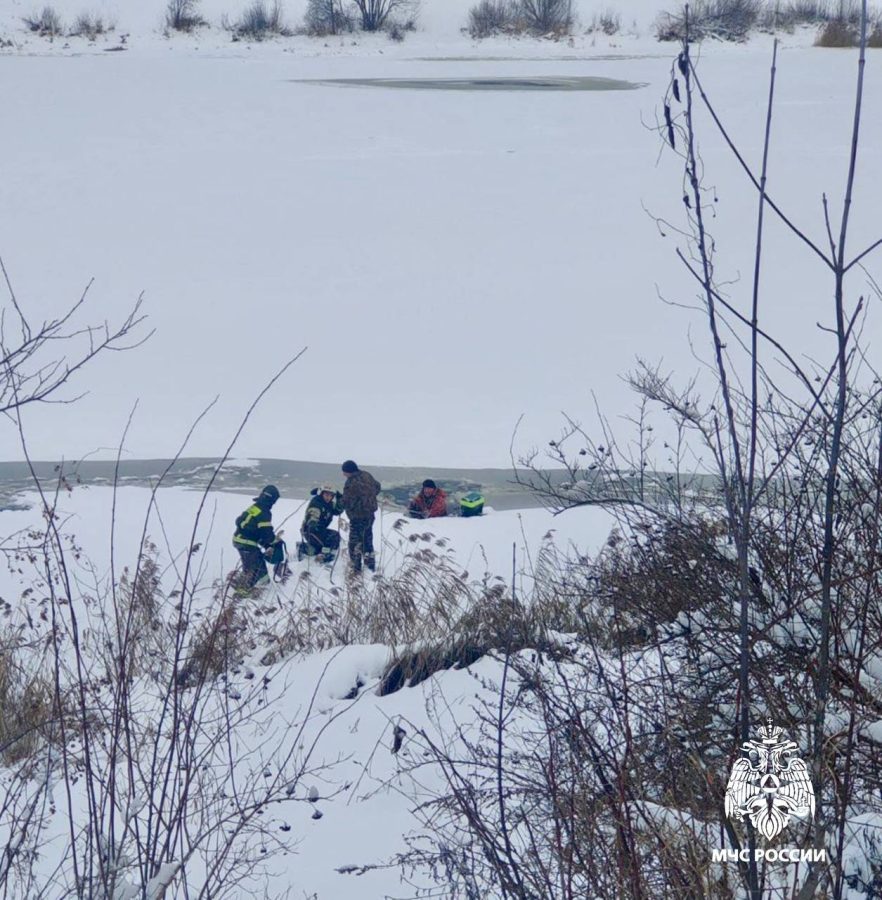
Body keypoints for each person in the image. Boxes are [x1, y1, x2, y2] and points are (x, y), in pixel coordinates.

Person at [232, 485, 283, 591]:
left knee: (257, 566)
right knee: (254, 570)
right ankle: (243, 591)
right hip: (247, 543)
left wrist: (265, 544)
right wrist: (275, 542)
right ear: (271, 499)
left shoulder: (255, 507)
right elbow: (266, 534)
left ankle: (260, 585)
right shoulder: (264, 512)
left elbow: (253, 528)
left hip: (239, 540)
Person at [341, 459, 381, 573]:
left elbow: (347, 501)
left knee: (355, 543)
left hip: (357, 517)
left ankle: (356, 568)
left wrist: (339, 501)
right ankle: (370, 566)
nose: (343, 474)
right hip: (370, 515)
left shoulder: (351, 482)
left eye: (344, 472)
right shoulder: (367, 475)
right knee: (367, 541)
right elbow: (377, 487)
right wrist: (368, 497)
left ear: (349, 471)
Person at [299, 485, 344, 562]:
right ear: (322, 494)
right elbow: (313, 513)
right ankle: (321, 554)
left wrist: (340, 499)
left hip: (320, 529)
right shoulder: (316, 503)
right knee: (332, 538)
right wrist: (312, 521)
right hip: (311, 530)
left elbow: (338, 510)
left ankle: (313, 550)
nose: (328, 497)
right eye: (326, 495)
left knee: (333, 538)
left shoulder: (329, 504)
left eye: (331, 496)